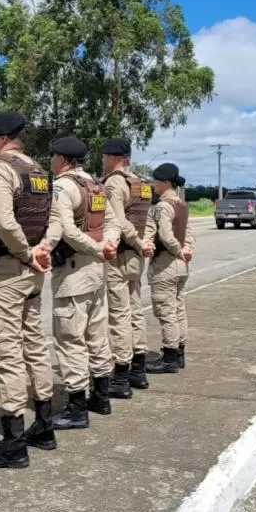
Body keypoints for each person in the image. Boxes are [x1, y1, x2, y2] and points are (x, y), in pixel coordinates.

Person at [0, 111, 56, 468]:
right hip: (32, 271)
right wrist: (40, 251)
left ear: (1, 138)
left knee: (6, 353)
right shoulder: (38, 171)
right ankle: (44, 425)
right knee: (34, 344)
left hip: (6, 270)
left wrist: (25, 253)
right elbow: (49, 218)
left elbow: (2, 221)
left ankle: (14, 443)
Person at [38, 136, 120, 429]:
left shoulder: (63, 186)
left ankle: (76, 407)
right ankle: (101, 396)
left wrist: (98, 248)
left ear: (61, 159)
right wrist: (109, 244)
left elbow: (66, 230)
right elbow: (112, 222)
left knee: (70, 339)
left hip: (73, 272)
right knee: (97, 334)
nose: (51, 161)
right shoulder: (95, 185)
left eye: (52, 156)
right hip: (97, 271)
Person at [100, 138, 156, 396]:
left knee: (119, 315)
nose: (103, 161)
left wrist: (137, 242)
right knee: (135, 311)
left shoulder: (114, 183)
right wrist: (144, 243)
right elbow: (148, 218)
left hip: (121, 254)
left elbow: (118, 222)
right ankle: (138, 370)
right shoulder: (141, 183)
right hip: (136, 257)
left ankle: (121, 375)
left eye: (104, 157)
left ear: (113, 158)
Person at [144, 162, 194, 373]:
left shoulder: (163, 207)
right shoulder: (181, 204)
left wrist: (178, 250)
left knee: (166, 312)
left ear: (165, 182)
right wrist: (187, 249)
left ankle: (170, 356)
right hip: (182, 266)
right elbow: (188, 232)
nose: (153, 184)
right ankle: (180, 352)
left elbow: (165, 235)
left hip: (166, 264)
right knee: (179, 309)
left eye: (156, 181)